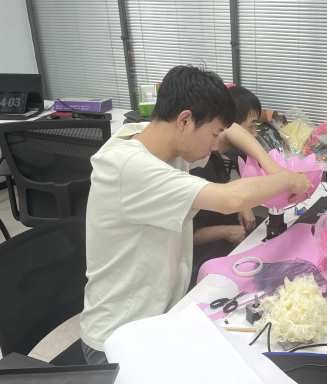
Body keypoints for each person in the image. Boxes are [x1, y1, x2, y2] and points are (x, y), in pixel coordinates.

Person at [79, 65, 312, 364]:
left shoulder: (151, 138)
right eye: (213, 135)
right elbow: (230, 199)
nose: (216, 146)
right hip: (119, 339)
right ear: (185, 120)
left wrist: (272, 166)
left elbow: (233, 129)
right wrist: (286, 179)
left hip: (163, 317)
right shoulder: (131, 167)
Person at [189, 85, 263, 285]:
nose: (254, 134)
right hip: (199, 255)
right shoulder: (199, 167)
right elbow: (185, 235)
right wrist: (227, 231)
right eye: (251, 126)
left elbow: (223, 189)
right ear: (231, 126)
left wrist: (242, 205)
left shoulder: (216, 159)